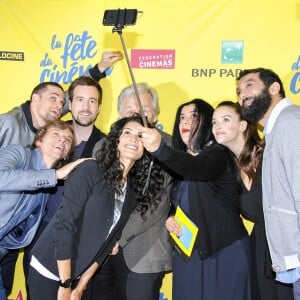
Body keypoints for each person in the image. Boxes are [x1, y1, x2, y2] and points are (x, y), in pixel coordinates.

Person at [0, 50, 122, 296]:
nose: (59, 105)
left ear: (99, 109)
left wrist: (98, 70)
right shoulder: (12, 127)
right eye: (54, 100)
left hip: (46, 238)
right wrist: (54, 176)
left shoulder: (102, 144)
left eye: (92, 102)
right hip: (35, 237)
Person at [27, 115, 165, 300]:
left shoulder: (132, 190)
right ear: (116, 139)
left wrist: (80, 287)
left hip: (75, 276)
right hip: (50, 269)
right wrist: (65, 283)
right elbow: (64, 225)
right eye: (127, 132)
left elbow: (107, 244)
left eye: (141, 135)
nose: (133, 139)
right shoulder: (91, 169)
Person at [138, 98, 252, 300]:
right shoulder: (179, 162)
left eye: (194, 116)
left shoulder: (218, 154)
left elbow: (197, 168)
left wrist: (160, 150)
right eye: (182, 117)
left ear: (207, 122)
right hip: (189, 255)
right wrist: (171, 217)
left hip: (224, 253)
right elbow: (184, 202)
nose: (186, 121)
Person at [22, 76, 106, 294]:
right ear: (69, 104)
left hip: (79, 241)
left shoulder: (108, 148)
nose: (85, 107)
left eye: (92, 101)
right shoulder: (51, 135)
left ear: (99, 108)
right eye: (79, 99)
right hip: (39, 232)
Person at [91, 82, 172, 300]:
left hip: (144, 252)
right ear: (120, 115)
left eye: (144, 111)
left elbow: (158, 203)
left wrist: (118, 238)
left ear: (154, 115)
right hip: (100, 251)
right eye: (130, 111)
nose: (137, 116)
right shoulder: (103, 147)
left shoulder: (168, 148)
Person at [212, 100, 293, 300]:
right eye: (214, 122)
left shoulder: (270, 153)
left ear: (243, 125)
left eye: (225, 119)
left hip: (287, 244)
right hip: (259, 248)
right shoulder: (226, 169)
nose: (217, 126)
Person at [0, 120, 88, 300]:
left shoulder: (49, 188)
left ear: (66, 155)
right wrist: (54, 175)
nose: (62, 140)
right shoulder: (19, 153)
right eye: (56, 134)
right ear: (39, 140)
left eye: (67, 139)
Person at [237, 67, 300, 299]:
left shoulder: (291, 122)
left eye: (250, 85)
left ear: (274, 88)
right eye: (239, 90)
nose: (242, 94)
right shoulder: (276, 130)